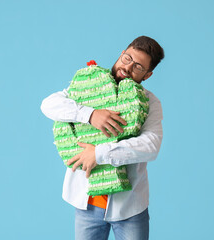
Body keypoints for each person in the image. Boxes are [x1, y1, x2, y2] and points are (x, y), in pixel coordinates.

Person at [40, 36, 164, 240]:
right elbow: (49, 104)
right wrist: (90, 115)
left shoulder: (149, 103)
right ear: (121, 53)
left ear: (147, 75)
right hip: (86, 204)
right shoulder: (88, 87)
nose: (127, 67)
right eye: (127, 58)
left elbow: (151, 145)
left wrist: (98, 154)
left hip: (130, 208)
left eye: (138, 66)